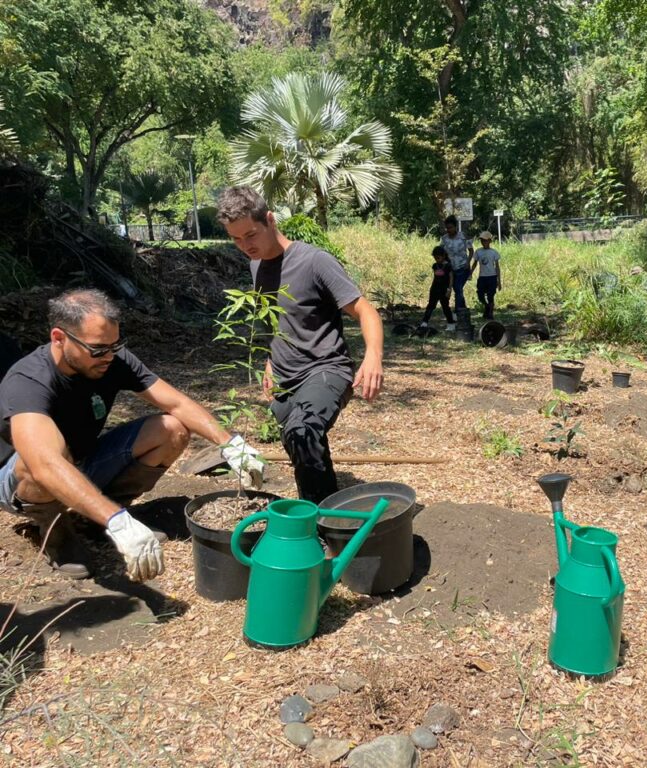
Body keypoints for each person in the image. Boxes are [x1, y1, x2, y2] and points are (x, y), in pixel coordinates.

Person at [0, 289, 265, 581]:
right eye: (98, 349)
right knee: (45, 456)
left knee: (171, 429)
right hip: (19, 479)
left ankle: (94, 519)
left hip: (83, 460)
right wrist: (118, 522)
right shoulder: (29, 380)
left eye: (115, 345)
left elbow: (176, 403)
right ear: (59, 338)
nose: (109, 356)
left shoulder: (111, 359)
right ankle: (58, 532)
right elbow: (44, 464)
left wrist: (230, 444)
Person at [217, 187, 384, 504]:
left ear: (270, 219)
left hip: (326, 370)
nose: (245, 246)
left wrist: (373, 356)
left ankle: (318, 525)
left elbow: (366, 310)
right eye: (236, 239)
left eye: (250, 235)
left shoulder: (314, 261)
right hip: (285, 379)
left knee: (302, 432)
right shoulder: (256, 266)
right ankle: (326, 508)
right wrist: (269, 363)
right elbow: (276, 322)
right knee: (302, 447)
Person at [440, 215, 473, 311]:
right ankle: (463, 310)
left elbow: (471, 251)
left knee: (458, 289)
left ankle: (457, 311)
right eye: (447, 228)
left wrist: (468, 262)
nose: (448, 230)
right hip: (451, 269)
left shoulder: (463, 236)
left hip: (463, 268)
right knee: (457, 289)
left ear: (455, 227)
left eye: (450, 227)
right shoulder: (444, 239)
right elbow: (440, 251)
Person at [419, 245, 456, 331]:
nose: (437, 260)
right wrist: (431, 288)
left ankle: (450, 323)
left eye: (438, 258)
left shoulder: (448, 266)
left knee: (445, 306)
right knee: (430, 305)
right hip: (435, 288)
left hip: (444, 289)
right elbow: (435, 277)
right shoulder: (435, 266)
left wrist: (449, 289)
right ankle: (425, 322)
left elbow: (451, 278)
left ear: (443, 256)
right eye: (435, 258)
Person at [471, 231, 501, 320]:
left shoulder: (494, 252)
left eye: (485, 240)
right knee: (480, 295)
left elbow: (497, 267)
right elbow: (475, 263)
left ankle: (490, 313)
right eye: (482, 240)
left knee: (490, 295)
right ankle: (487, 306)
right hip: (482, 277)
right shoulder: (478, 252)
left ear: (490, 241)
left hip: (492, 277)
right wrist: (470, 273)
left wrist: (499, 281)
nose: (484, 242)